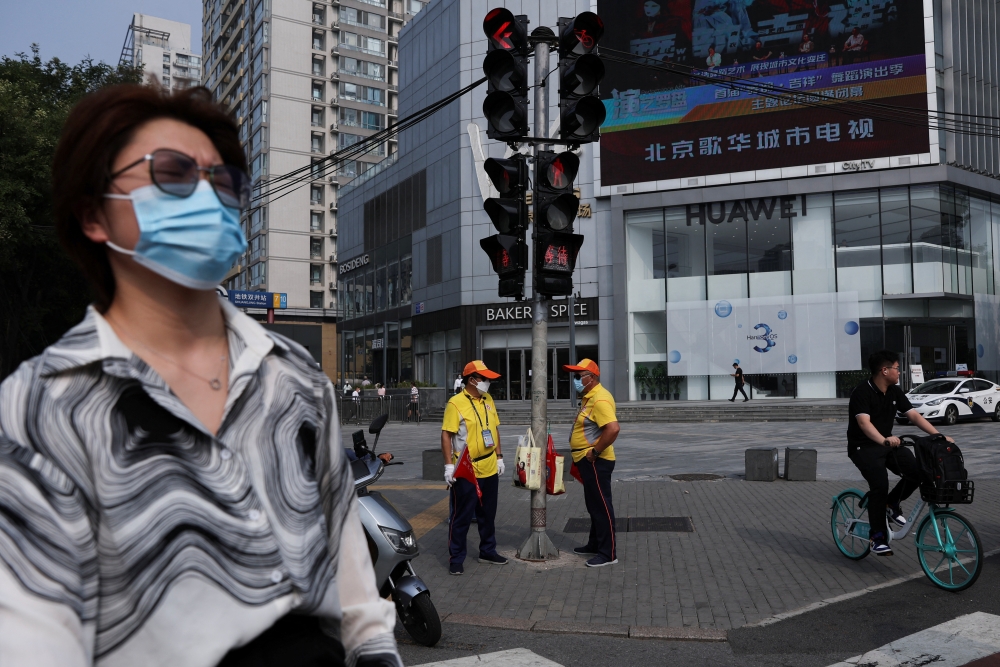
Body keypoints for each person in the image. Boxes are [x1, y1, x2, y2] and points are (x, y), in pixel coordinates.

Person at [0, 85, 400, 666]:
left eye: (224, 181)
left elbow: (346, 559)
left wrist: (376, 648)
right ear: (93, 213)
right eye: (171, 173)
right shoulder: (40, 407)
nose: (208, 198)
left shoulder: (295, 376)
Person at [847, 350, 953, 556]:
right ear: (884, 370)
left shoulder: (894, 391)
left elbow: (913, 415)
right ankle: (876, 537)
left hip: (887, 444)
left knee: (918, 471)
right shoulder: (862, 392)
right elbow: (864, 423)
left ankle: (892, 502)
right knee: (880, 484)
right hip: (863, 447)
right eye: (897, 368)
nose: (899, 372)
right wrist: (884, 439)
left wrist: (938, 435)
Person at [441, 360, 507, 575]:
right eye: (485, 378)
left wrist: (499, 456)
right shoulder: (455, 403)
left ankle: (487, 550)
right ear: (472, 380)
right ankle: (456, 557)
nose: (488, 382)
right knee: (462, 515)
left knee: (488, 514)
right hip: (466, 469)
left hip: (489, 465)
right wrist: (449, 466)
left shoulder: (488, 399)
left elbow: (494, 429)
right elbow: (446, 435)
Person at [564, 359, 620, 567]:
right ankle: (595, 544)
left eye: (579, 376)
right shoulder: (589, 397)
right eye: (575, 376)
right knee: (594, 505)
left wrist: (595, 452)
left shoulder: (600, 399)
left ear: (592, 378)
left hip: (596, 461)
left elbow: (613, 429)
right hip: (587, 461)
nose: (576, 380)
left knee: (601, 506)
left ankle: (608, 553)